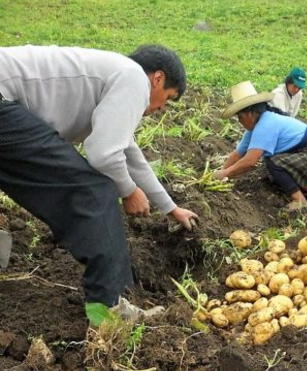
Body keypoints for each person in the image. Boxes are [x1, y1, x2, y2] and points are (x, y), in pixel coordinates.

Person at [0, 44, 198, 325]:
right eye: (167, 98)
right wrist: (128, 191)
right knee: (96, 191)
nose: (161, 108)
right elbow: (104, 154)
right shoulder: (132, 78)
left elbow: (130, 154)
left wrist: (171, 208)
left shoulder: (113, 72)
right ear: (157, 79)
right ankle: (110, 311)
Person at [218, 81, 307, 209]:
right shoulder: (255, 127)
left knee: (273, 162)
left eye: (240, 117)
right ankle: (304, 193)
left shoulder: (266, 124)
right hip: (305, 151)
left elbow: (250, 161)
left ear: (250, 114)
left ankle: (301, 201)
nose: (240, 122)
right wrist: (221, 172)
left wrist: (226, 173)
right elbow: (238, 153)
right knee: (273, 166)